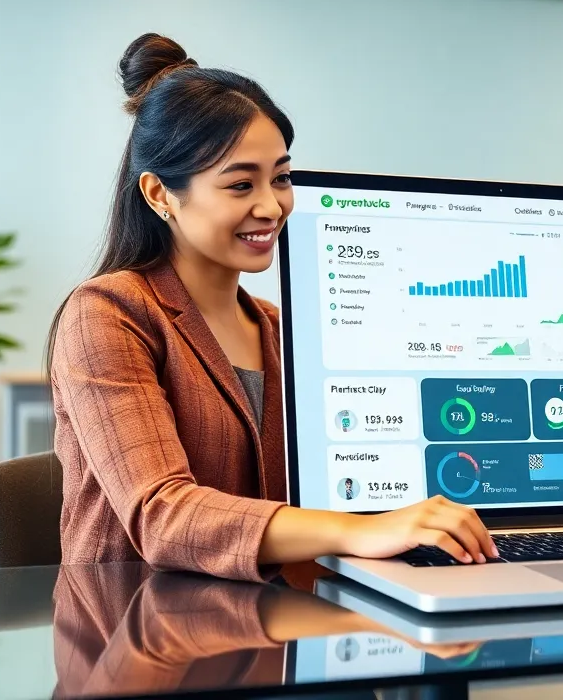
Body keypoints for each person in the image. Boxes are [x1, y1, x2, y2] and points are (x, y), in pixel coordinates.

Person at [48, 34, 497, 582]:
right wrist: (357, 530)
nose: (271, 206)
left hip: (273, 614)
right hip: (137, 619)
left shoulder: (283, 329)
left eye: (281, 178)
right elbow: (162, 516)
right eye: (241, 184)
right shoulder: (107, 314)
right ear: (160, 194)